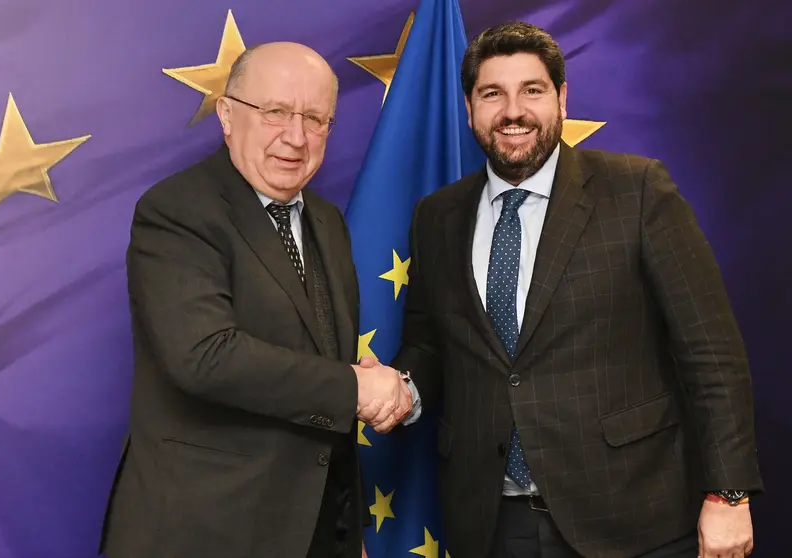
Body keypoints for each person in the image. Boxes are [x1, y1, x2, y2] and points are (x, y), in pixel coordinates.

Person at [390, 21, 762, 558]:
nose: (512, 111)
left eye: (532, 91)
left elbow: (711, 352)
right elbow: (428, 343)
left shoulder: (636, 191)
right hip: (493, 522)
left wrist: (729, 495)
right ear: (469, 107)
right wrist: (400, 387)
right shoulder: (437, 216)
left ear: (561, 99)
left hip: (634, 516)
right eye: (492, 93)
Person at [98, 41, 415, 558]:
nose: (296, 137)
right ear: (226, 115)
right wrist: (355, 388)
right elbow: (205, 356)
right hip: (202, 531)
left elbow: (318, 365)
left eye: (316, 119)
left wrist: (343, 525)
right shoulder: (178, 210)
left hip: (311, 529)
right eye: (276, 112)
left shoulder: (328, 222)